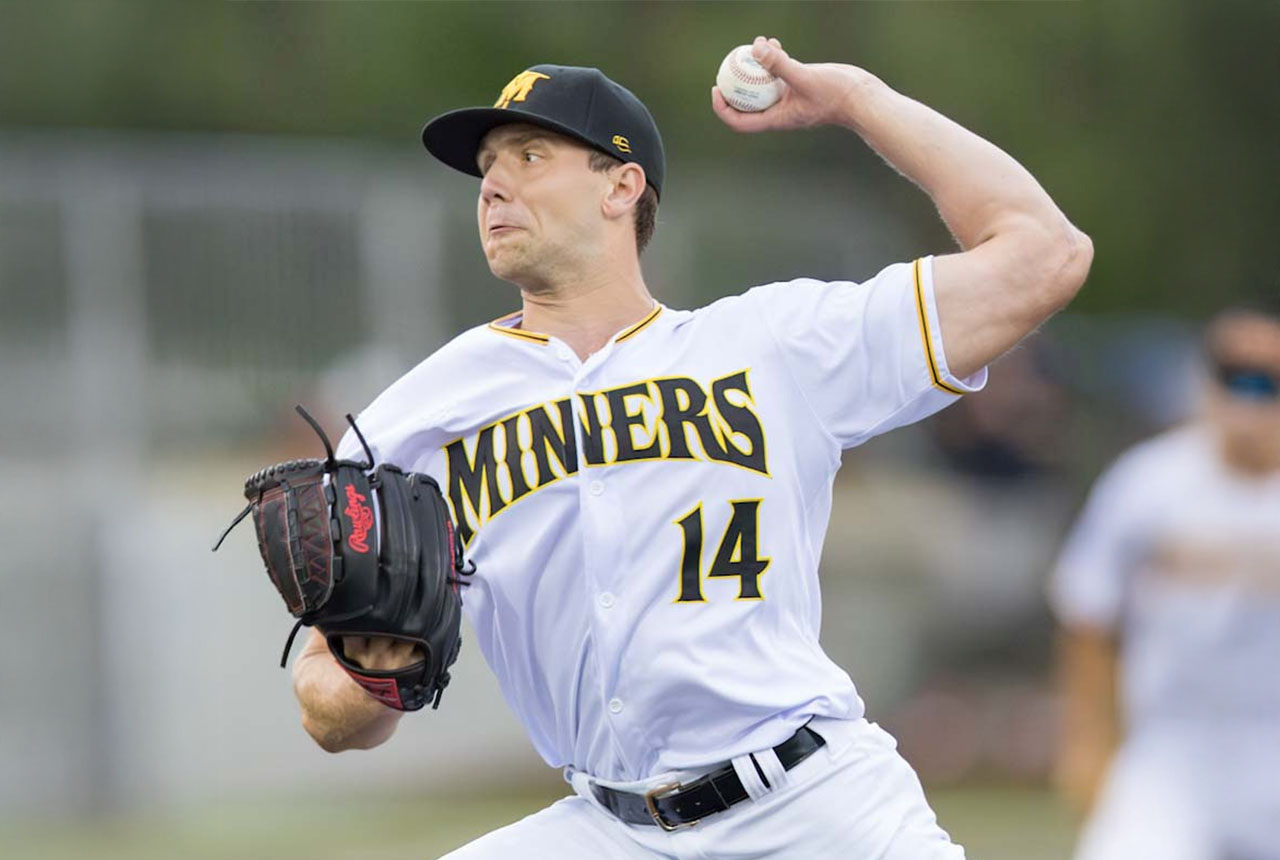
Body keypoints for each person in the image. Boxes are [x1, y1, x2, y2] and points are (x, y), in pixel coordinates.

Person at [291, 36, 1092, 858]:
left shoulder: (771, 346)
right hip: (610, 827)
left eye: (531, 155)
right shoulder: (423, 410)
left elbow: (1045, 254)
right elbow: (326, 703)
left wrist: (855, 97)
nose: (493, 183)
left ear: (622, 185)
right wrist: (369, 675)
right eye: (488, 165)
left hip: (815, 807)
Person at [1051, 302, 1280, 860]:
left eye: (1267, 380)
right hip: (1174, 748)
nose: (1251, 397)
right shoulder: (1148, 483)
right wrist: (1088, 741)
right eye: (1236, 377)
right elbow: (1087, 611)